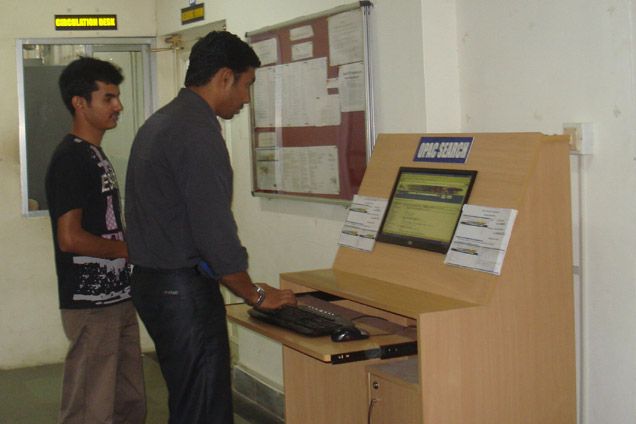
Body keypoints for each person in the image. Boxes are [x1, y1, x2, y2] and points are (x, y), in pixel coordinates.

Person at [125, 31, 297, 424]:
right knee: (204, 409)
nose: (247, 99)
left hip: (155, 285)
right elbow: (214, 233)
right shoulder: (196, 133)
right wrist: (254, 294)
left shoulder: (163, 121)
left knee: (189, 401)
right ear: (224, 77)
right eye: (246, 84)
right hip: (181, 291)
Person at [45, 57, 146, 423]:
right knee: (90, 406)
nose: (118, 106)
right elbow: (69, 238)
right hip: (90, 303)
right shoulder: (71, 158)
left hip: (117, 296)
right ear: (79, 103)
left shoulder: (95, 154)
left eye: (117, 96)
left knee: (127, 401)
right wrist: (128, 249)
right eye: (108, 98)